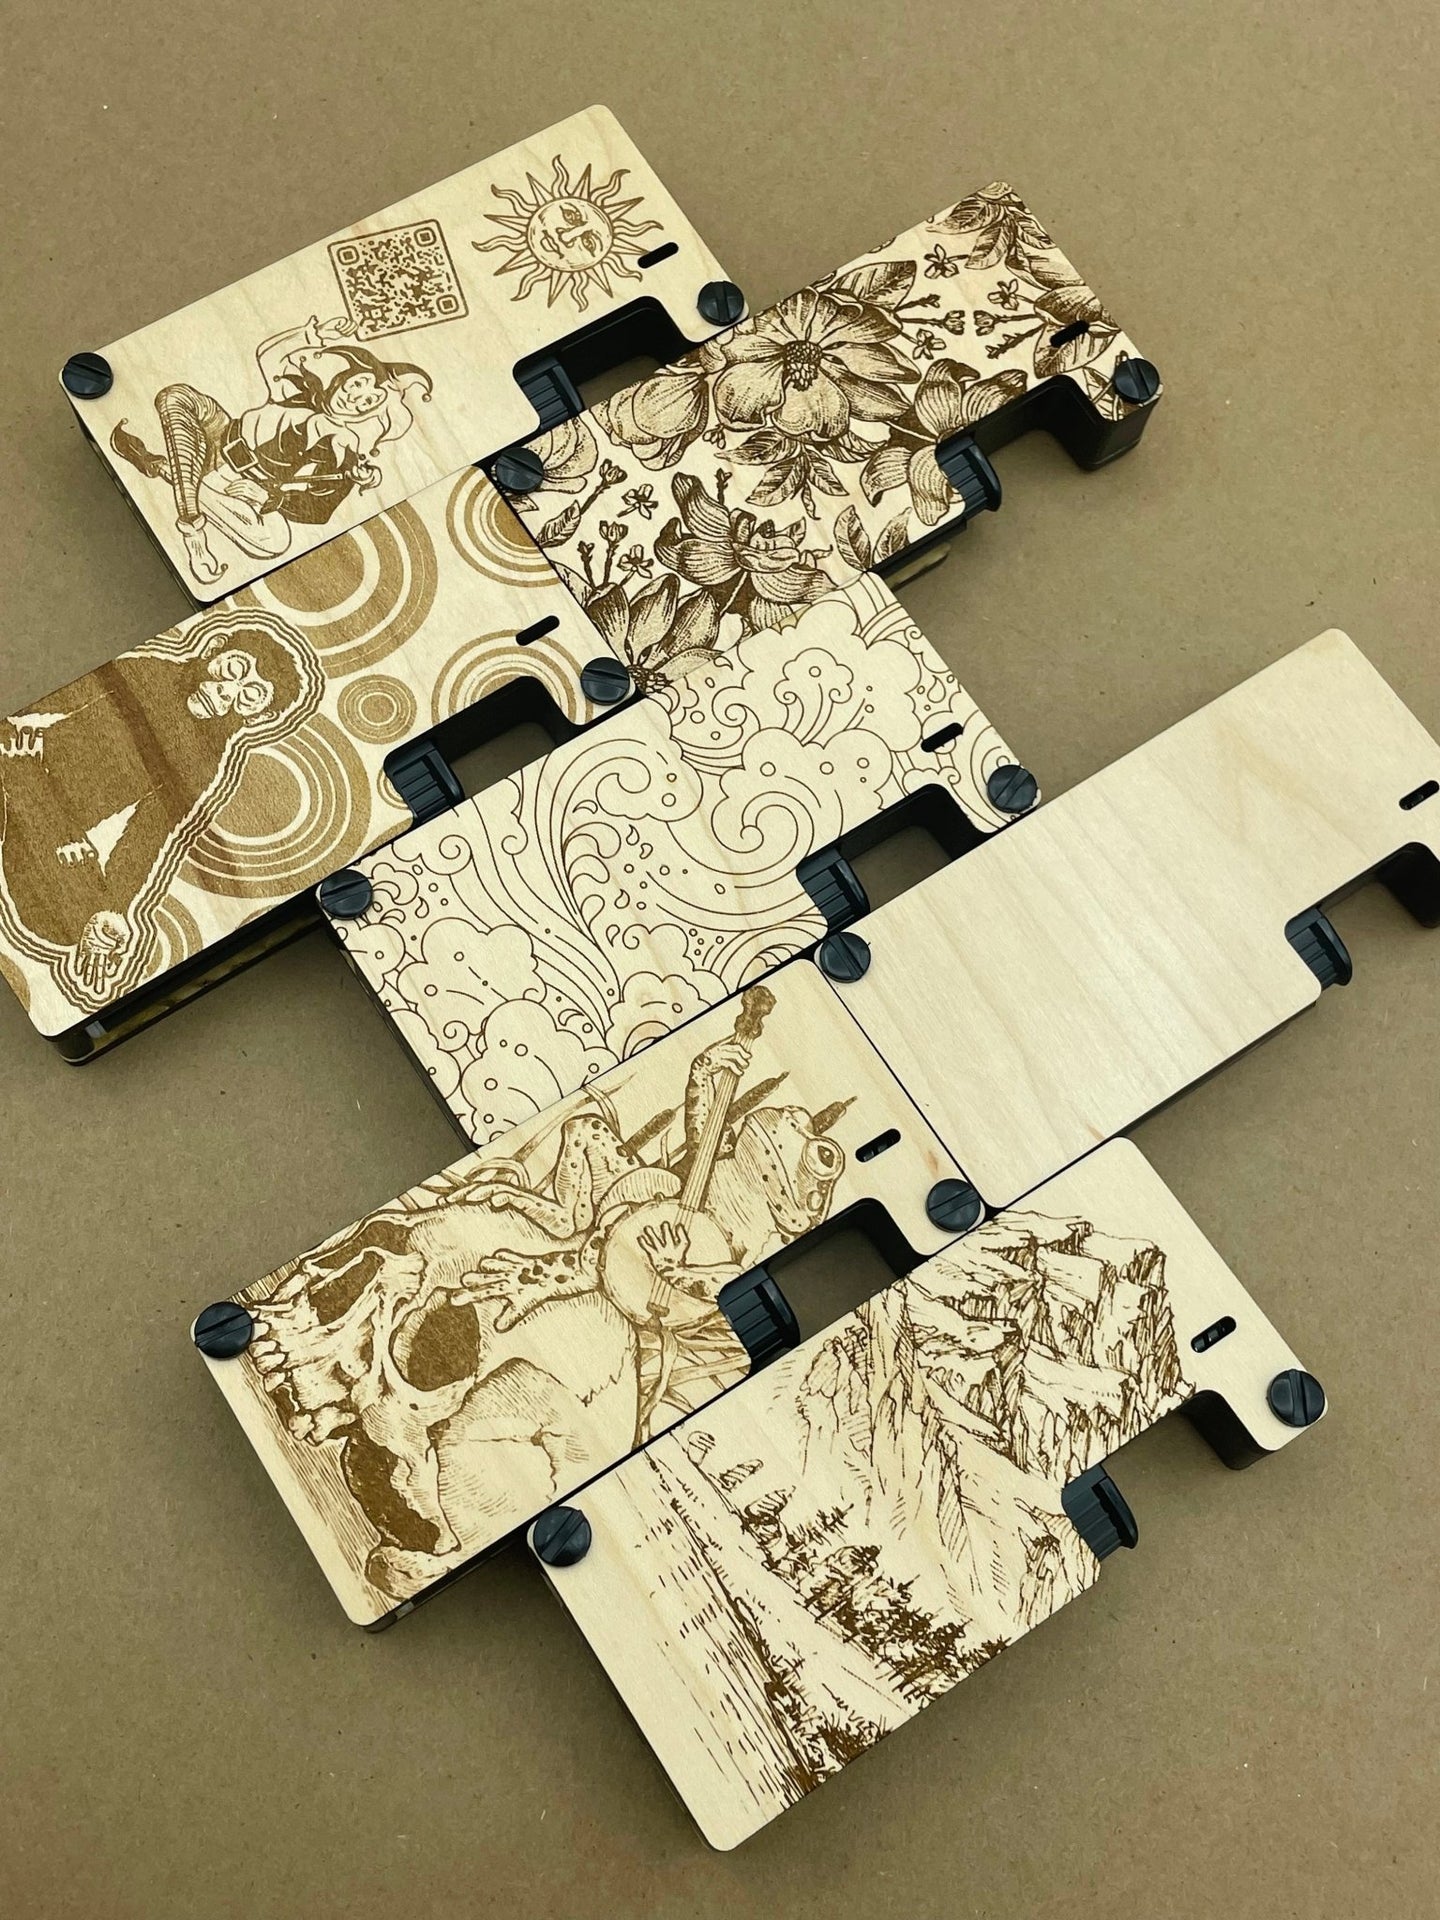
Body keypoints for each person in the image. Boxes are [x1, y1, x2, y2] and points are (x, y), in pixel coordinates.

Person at [0, 620, 318, 999]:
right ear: (214, 648)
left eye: (248, 696)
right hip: (30, 766)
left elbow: (148, 836)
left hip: (53, 827)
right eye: (232, 670)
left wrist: (110, 908)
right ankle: (23, 782)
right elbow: (49, 704)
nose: (225, 692)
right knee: (12, 754)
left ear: (258, 716)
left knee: (65, 924)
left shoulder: (206, 760)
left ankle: (28, 789)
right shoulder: (151, 669)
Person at [110, 315, 432, 583]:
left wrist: (271, 498)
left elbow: (321, 510)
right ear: (346, 376)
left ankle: (165, 468)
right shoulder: (299, 391)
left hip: (243, 487)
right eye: (358, 384)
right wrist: (314, 335)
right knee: (175, 396)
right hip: (219, 434)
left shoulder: (342, 450)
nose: (355, 397)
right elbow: (270, 355)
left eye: (368, 401)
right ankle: (193, 528)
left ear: (368, 415)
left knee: (275, 542)